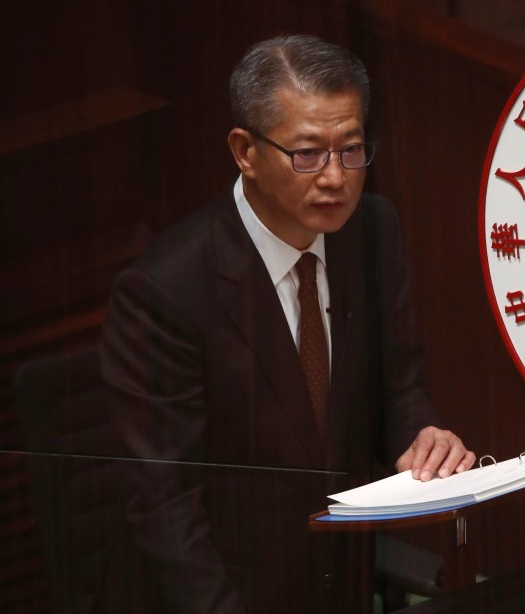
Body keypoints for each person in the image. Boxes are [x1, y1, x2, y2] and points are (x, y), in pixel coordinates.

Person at [99, 35, 474, 614]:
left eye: (351, 150)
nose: (335, 177)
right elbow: (163, 504)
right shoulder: (165, 290)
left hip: (340, 582)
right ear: (245, 151)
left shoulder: (372, 231)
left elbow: (398, 386)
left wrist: (422, 436)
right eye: (307, 154)